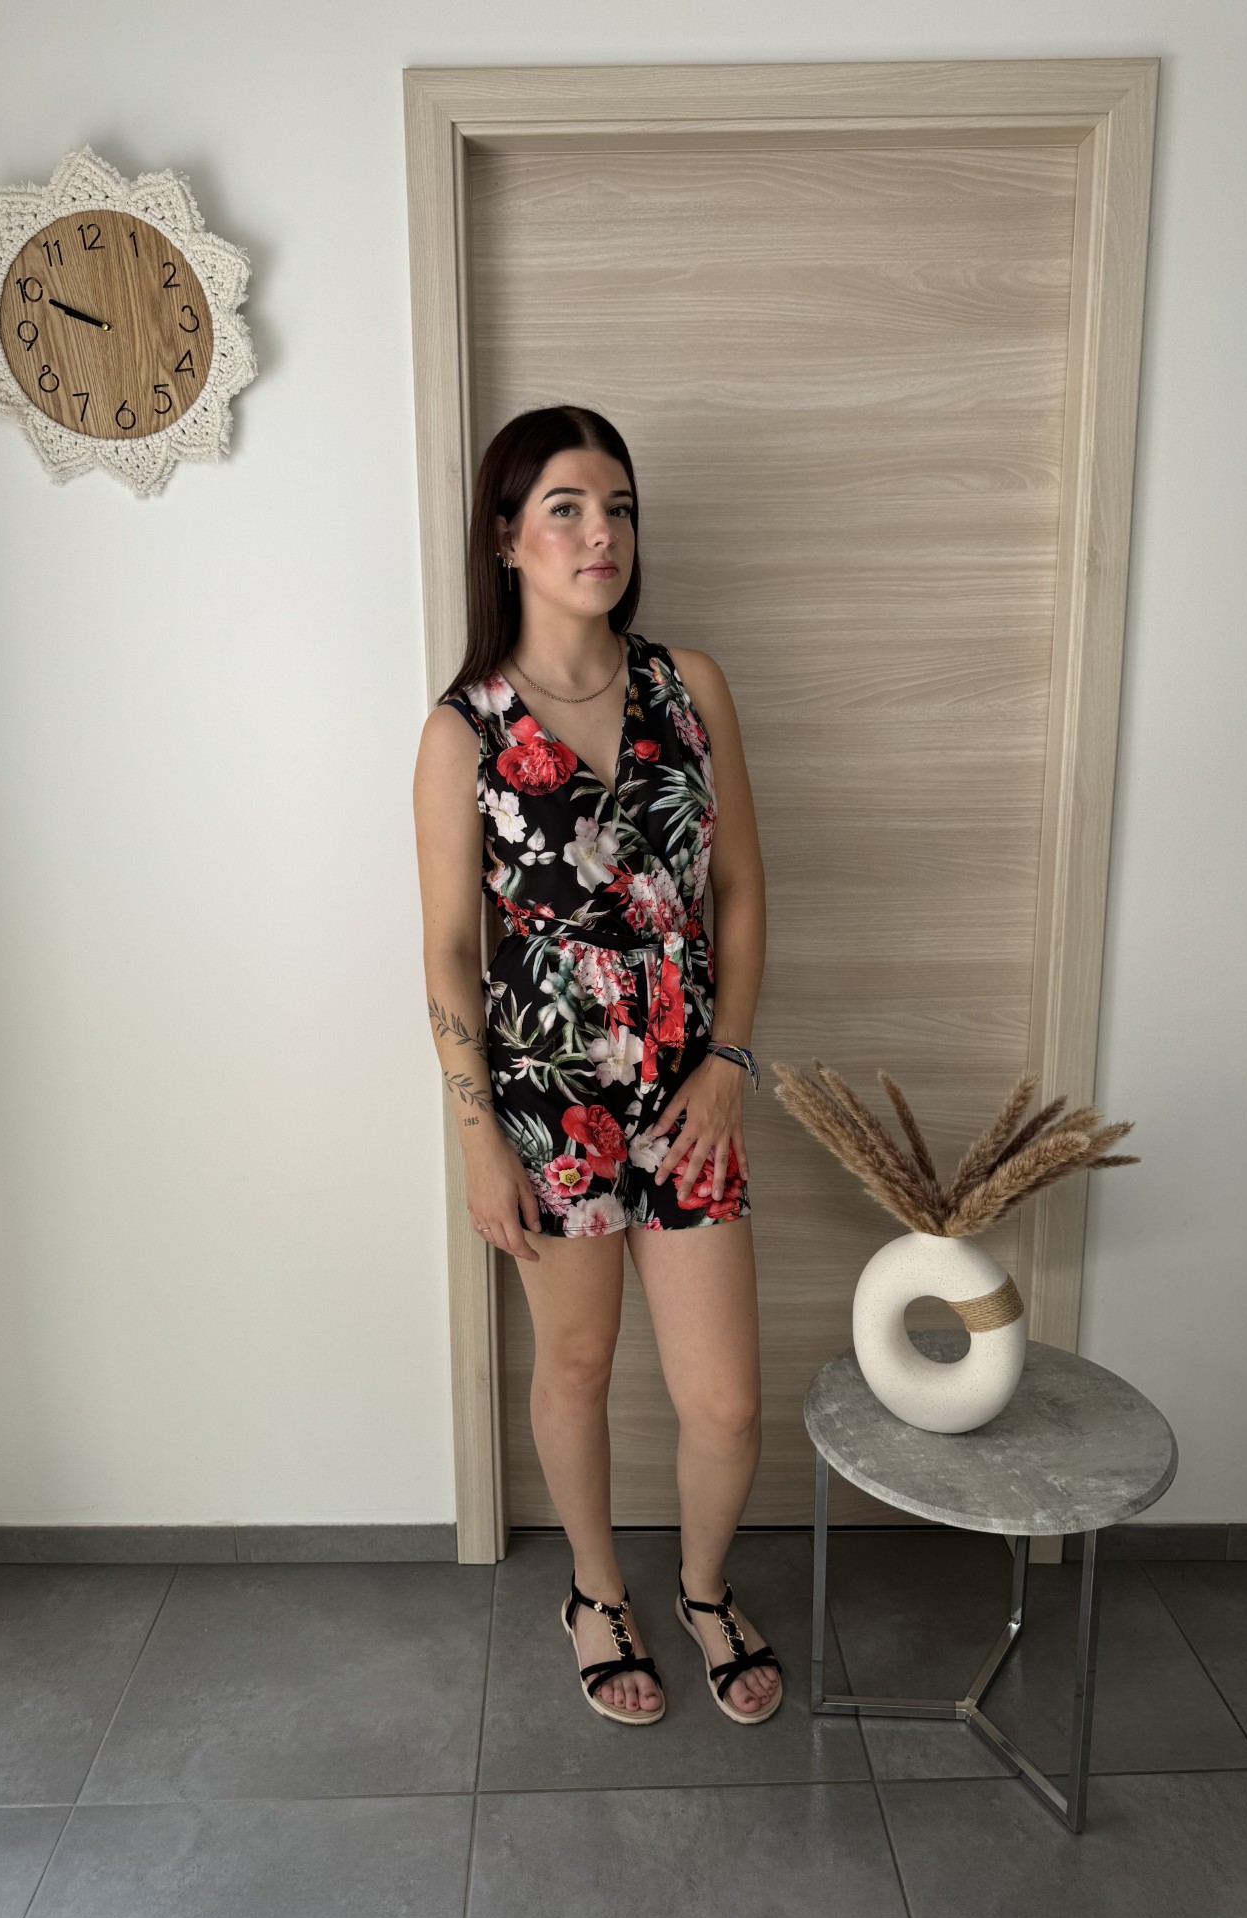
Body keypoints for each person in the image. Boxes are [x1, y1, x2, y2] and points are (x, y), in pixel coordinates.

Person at [412, 405, 782, 1727]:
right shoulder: (463, 731)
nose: (600, 533)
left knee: (725, 1404)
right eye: (565, 508)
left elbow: (740, 890)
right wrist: (477, 1141)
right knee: (574, 1368)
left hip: (692, 1098)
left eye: (617, 506)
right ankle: (595, 1593)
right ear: (506, 537)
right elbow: (449, 952)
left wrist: (729, 1059)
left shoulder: (690, 687)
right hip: (549, 1110)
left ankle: (702, 1588)